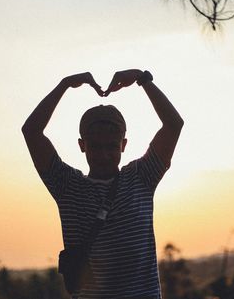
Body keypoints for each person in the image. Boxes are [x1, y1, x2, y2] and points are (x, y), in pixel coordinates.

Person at [22, 69, 184, 299]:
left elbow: (174, 125)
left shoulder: (141, 177)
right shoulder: (67, 186)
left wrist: (143, 79)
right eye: (96, 146)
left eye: (111, 146)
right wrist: (64, 84)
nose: (104, 155)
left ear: (123, 145)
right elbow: (31, 131)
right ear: (82, 145)